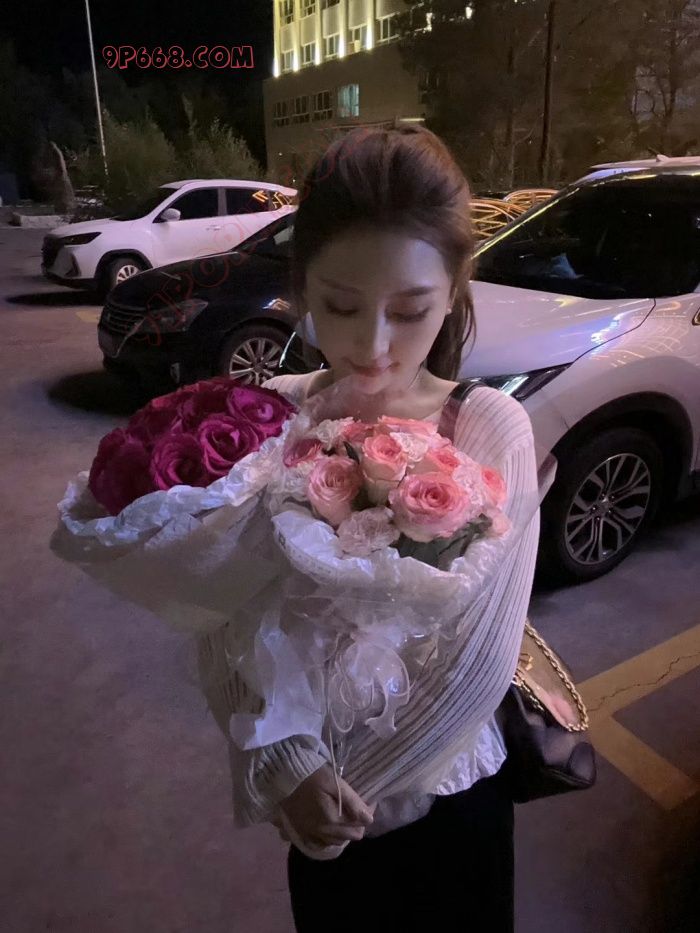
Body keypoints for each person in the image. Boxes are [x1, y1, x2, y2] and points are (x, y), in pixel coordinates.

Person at [198, 125, 540, 932]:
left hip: (444, 802)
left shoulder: (487, 425)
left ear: (453, 290)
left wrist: (353, 793)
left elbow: (479, 659)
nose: (375, 345)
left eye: (410, 310)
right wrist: (287, 764)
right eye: (343, 306)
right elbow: (219, 610)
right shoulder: (270, 415)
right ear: (302, 288)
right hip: (314, 801)